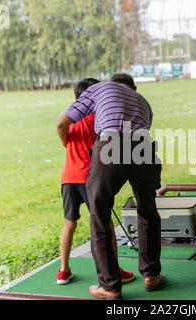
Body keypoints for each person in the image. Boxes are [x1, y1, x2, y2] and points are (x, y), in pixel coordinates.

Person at [57, 73, 163, 300]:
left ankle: (110, 286)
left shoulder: (95, 90)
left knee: (99, 214)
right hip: (144, 145)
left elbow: (62, 123)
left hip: (111, 144)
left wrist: (65, 143)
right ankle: (151, 275)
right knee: (148, 211)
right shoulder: (143, 100)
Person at [57, 78, 135, 286]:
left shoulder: (70, 124)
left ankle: (63, 270)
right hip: (89, 178)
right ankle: (114, 269)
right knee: (105, 223)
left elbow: (63, 132)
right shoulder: (96, 119)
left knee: (69, 224)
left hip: (68, 179)